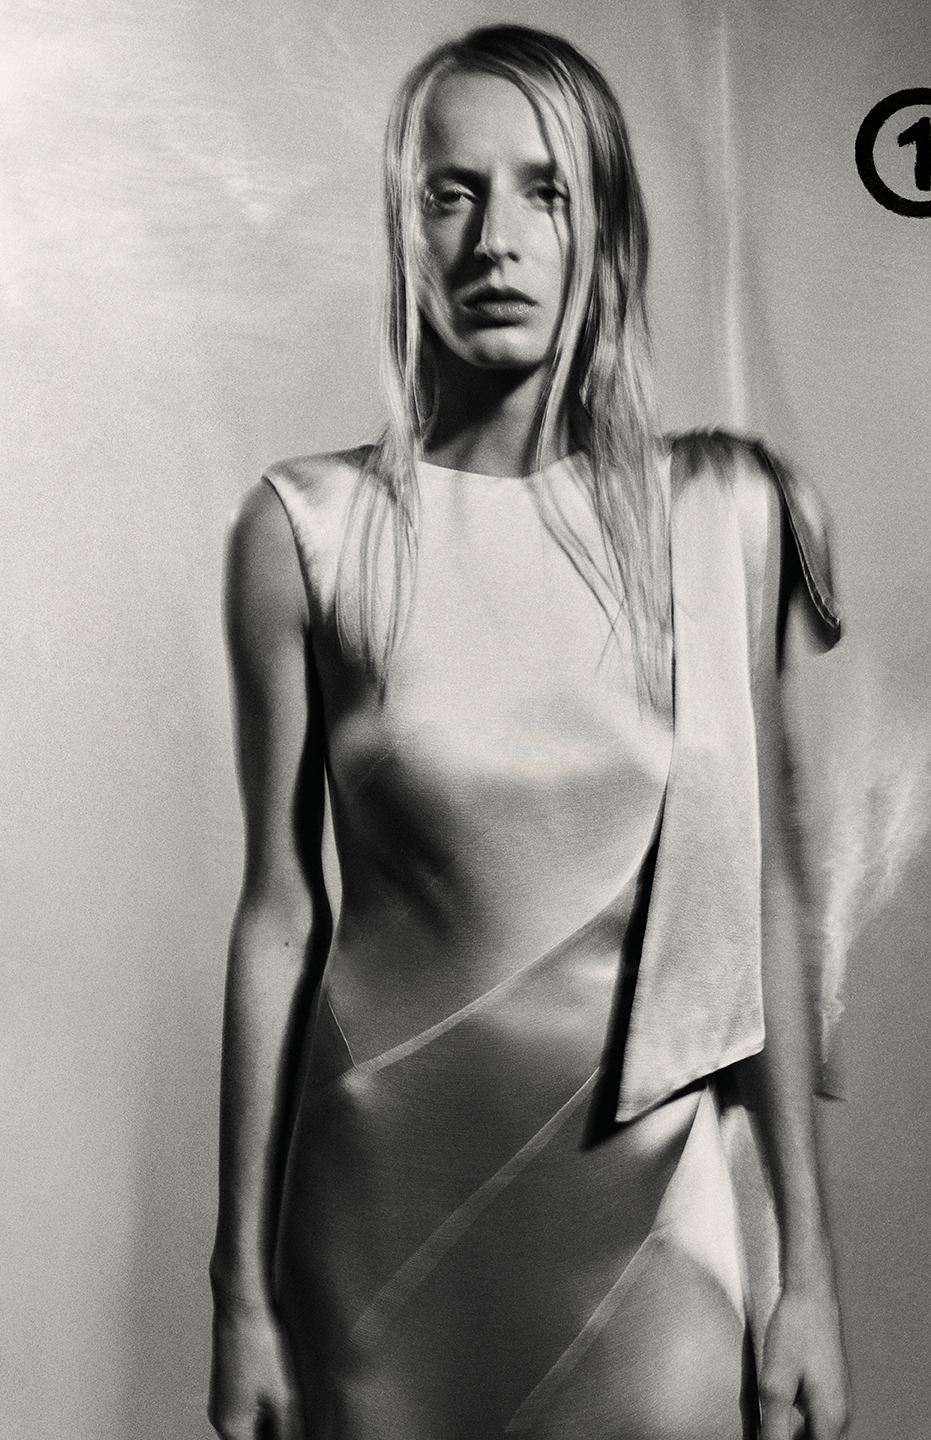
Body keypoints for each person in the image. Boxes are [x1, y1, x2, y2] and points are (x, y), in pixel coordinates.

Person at [209, 22, 851, 1440]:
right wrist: (237, 1291)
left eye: (545, 192)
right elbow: (278, 913)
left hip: (655, 1217)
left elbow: (765, 895)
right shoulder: (304, 532)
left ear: (601, 227)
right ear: (405, 228)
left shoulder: (721, 517)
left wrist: (810, 1274)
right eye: (452, 192)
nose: (495, 239)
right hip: (373, 1232)